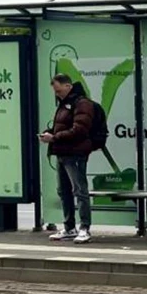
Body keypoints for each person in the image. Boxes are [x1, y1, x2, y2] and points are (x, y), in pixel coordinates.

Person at [40, 74, 96, 244]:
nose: (57, 94)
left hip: (76, 153)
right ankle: (69, 227)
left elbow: (80, 130)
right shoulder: (65, 104)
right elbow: (64, 126)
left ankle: (84, 227)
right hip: (62, 152)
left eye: (58, 90)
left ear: (68, 86)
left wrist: (54, 137)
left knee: (80, 190)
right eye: (55, 92)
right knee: (63, 191)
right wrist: (50, 133)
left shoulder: (82, 103)